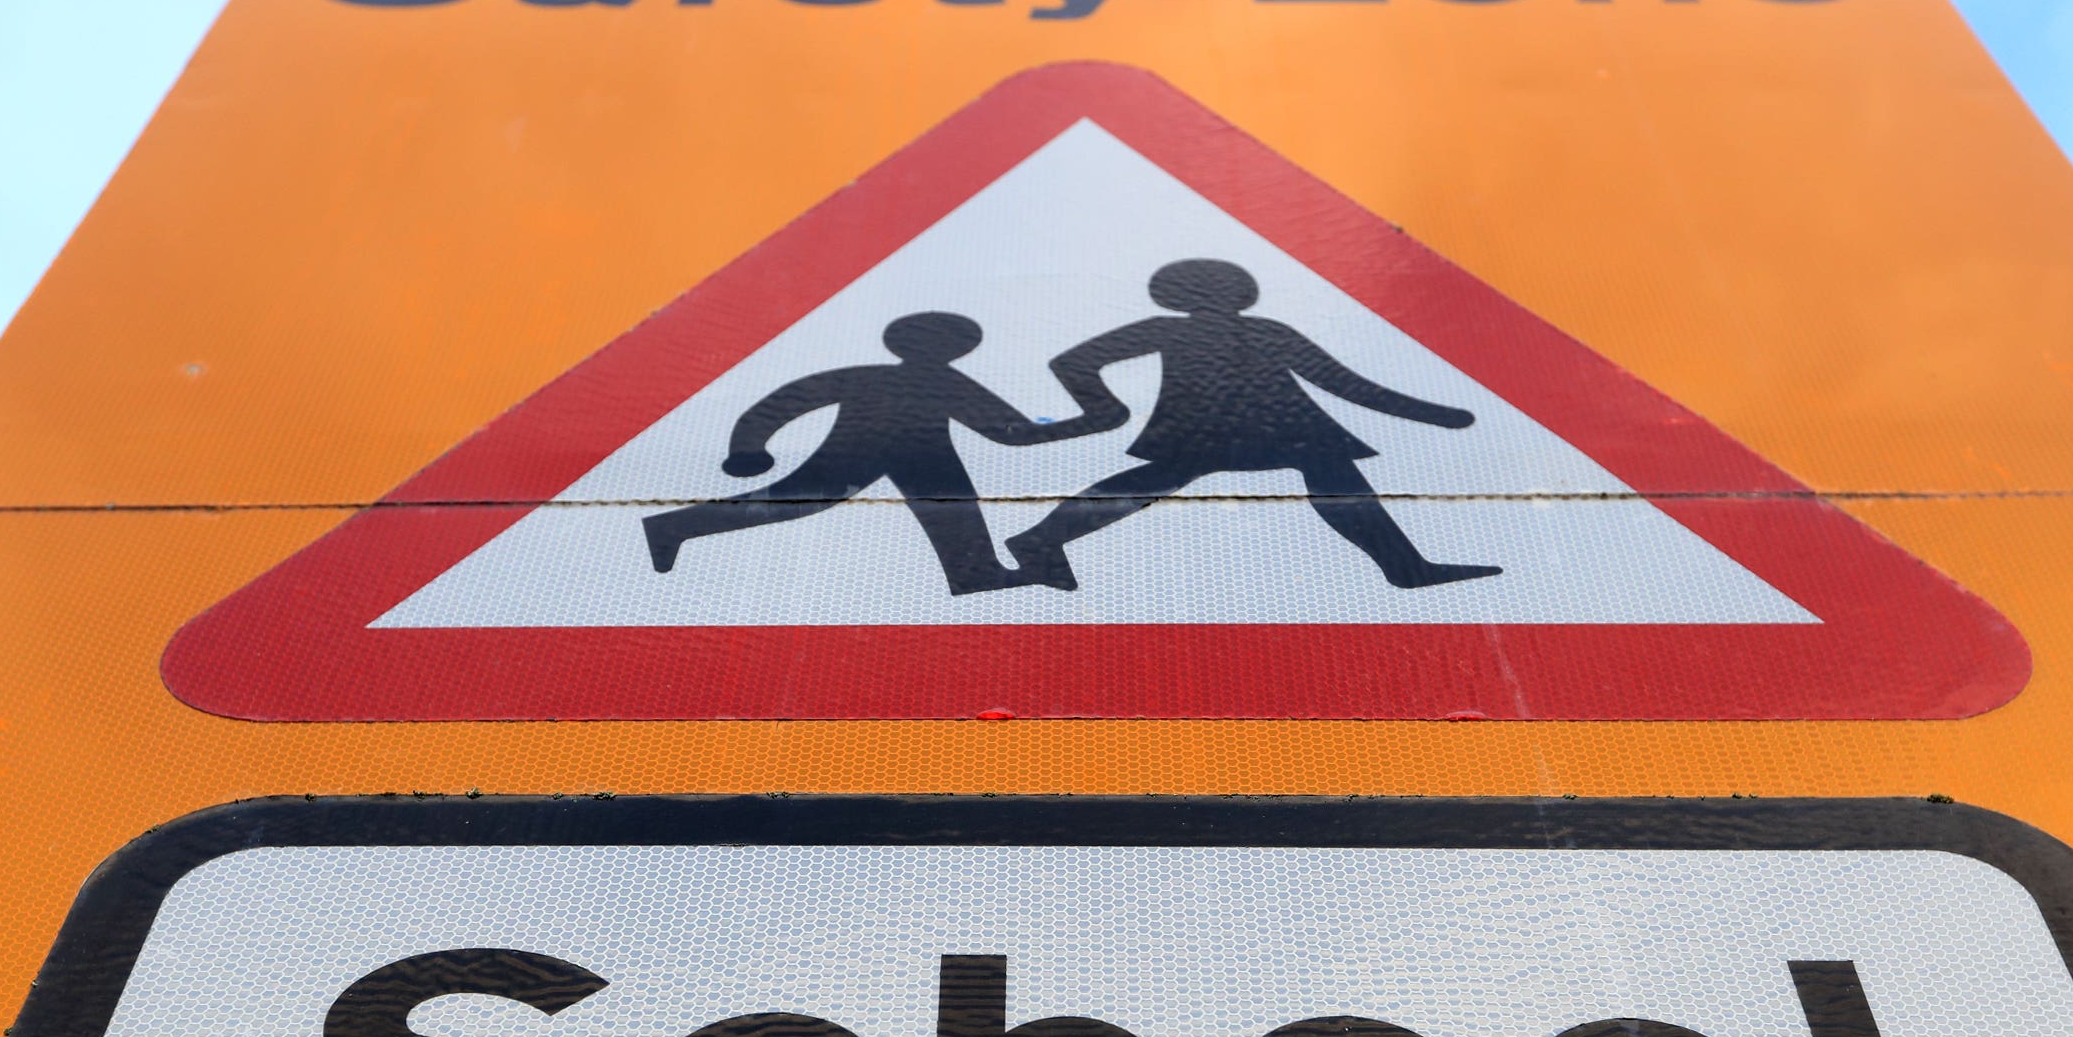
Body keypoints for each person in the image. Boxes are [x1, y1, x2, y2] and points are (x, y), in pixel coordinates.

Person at [1004, 259, 1501, 591]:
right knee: (1157, 481)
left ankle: (1404, 566)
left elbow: (1343, 383)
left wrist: (1434, 414)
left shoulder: (1237, 331)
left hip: (1259, 423)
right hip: (1239, 422)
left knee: (1329, 474)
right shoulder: (1239, 330)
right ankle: (1041, 540)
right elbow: (1347, 385)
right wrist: (1102, 408)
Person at [642, 312, 1088, 595]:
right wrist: (747, 449)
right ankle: (673, 525)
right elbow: (789, 401)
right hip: (866, 449)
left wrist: (749, 447)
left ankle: (977, 573)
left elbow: (1009, 432)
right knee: (792, 502)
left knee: (954, 511)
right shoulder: (934, 380)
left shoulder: (919, 379)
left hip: (922, 455)